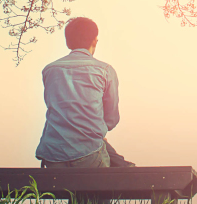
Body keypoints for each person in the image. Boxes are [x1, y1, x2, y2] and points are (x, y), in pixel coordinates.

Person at [35, 17, 135, 169]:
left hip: (53, 154)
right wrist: (93, 130)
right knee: (101, 150)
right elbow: (112, 119)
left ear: (67, 42)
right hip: (89, 153)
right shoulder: (105, 71)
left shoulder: (50, 70)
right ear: (95, 40)